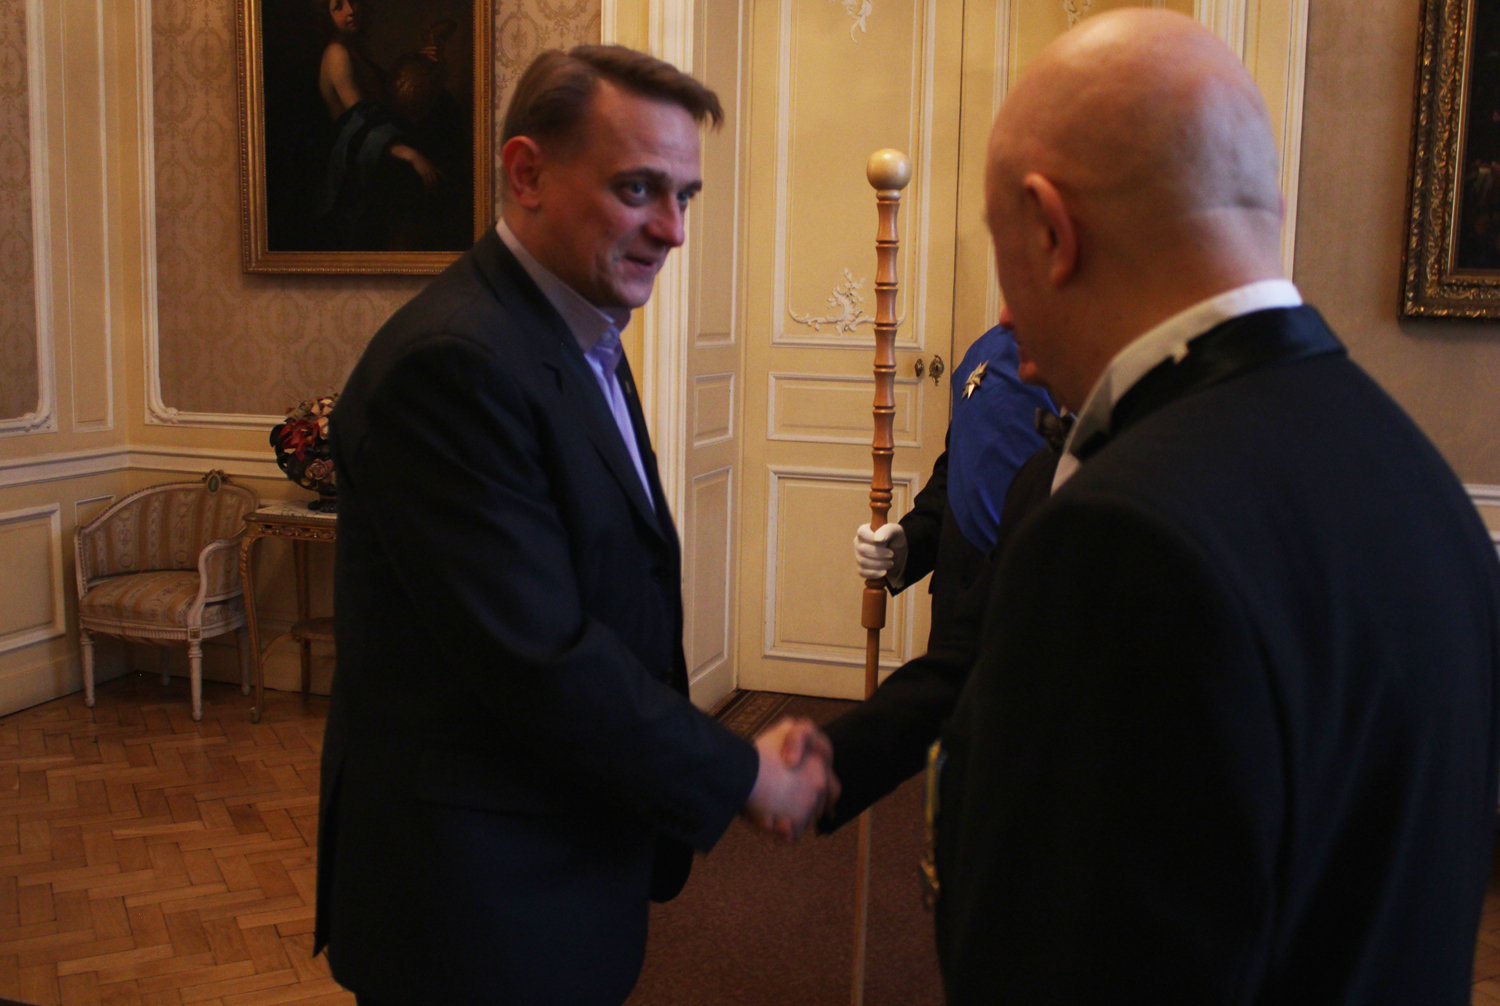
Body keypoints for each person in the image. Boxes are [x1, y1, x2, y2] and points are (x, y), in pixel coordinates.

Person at [928, 9, 1500, 1002]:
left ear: (1053, 230)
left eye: (1002, 250)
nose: (1008, 318)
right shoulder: (1421, 482)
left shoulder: (1118, 535)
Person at [315, 46, 835, 1006]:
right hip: (473, 902)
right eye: (638, 189)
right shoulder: (453, 363)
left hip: (557, 856)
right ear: (527, 173)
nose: (673, 229)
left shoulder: (574, 325)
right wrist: (740, 772)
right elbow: (539, 654)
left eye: (685, 195)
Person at [853, 323, 1054, 649]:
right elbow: (960, 470)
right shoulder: (984, 350)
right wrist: (907, 543)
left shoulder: (1083, 360)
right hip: (956, 604)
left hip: (1032, 612)